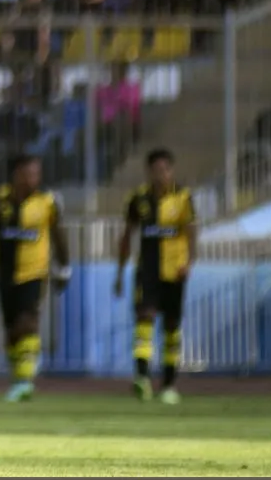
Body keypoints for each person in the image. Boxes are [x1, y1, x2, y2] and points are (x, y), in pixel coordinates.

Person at [0, 154, 71, 403]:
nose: (34, 179)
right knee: (12, 330)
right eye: (28, 174)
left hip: (35, 272)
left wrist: (64, 267)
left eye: (37, 173)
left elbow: (59, 235)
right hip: (5, 274)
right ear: (16, 175)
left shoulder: (48, 202)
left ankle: (26, 380)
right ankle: (19, 375)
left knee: (28, 321)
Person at [115, 148, 196, 405]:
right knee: (144, 318)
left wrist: (189, 262)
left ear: (171, 171)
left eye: (165, 170)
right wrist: (119, 272)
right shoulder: (137, 199)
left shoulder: (183, 197)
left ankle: (169, 384)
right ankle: (142, 377)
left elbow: (192, 232)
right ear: (148, 172)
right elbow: (127, 236)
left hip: (174, 271)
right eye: (156, 170)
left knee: (171, 327)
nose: (161, 175)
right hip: (147, 271)